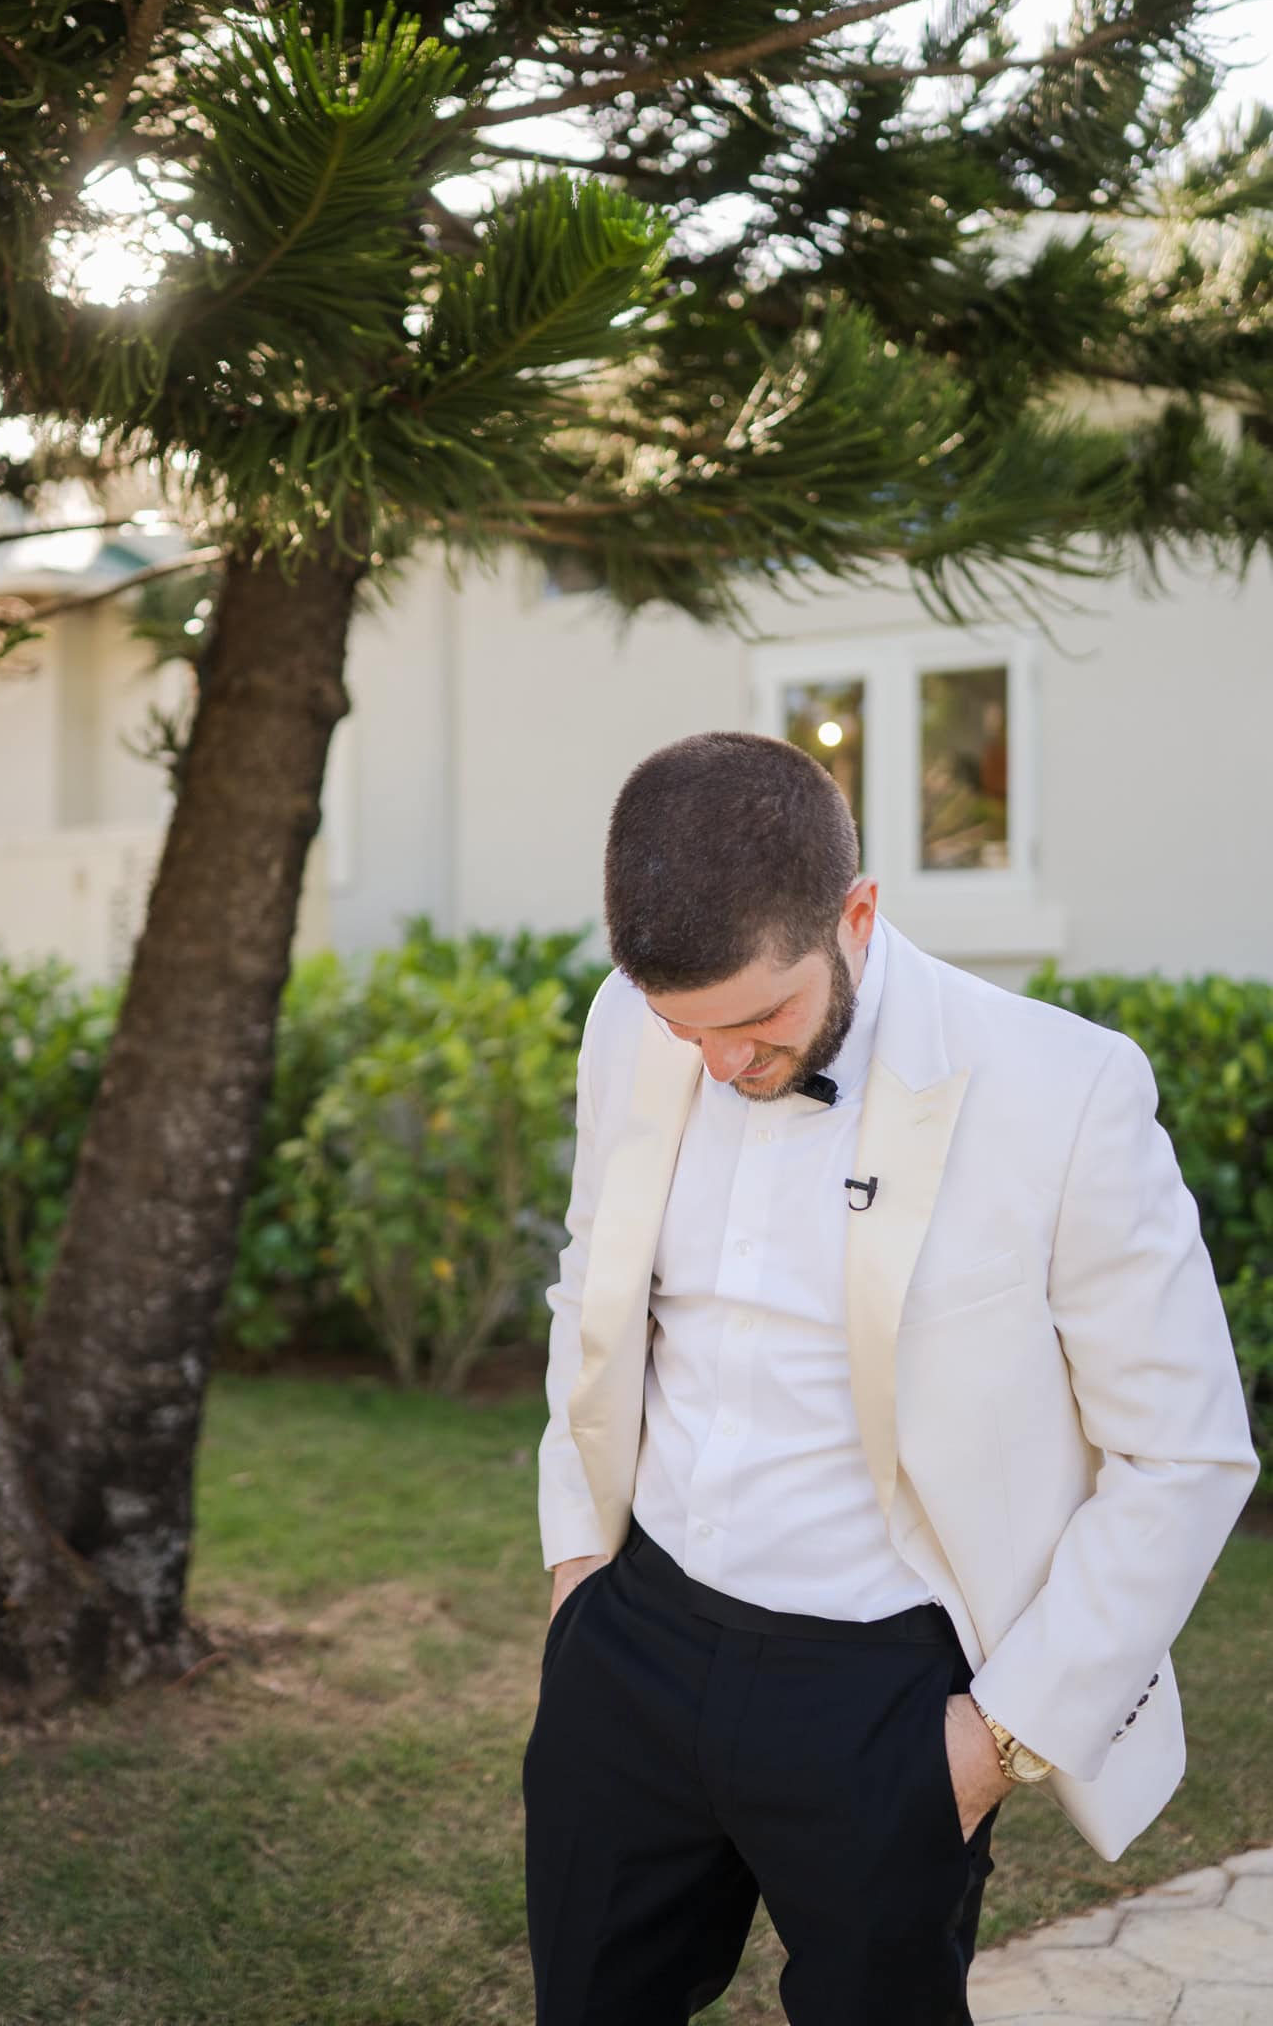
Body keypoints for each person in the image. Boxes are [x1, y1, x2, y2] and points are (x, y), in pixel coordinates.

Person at [522, 731, 1258, 2026]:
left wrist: (994, 1738)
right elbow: (594, 1273)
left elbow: (1183, 1454)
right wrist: (575, 1565)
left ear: (855, 914)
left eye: (758, 1022)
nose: (721, 1065)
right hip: (629, 1646)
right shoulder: (630, 1024)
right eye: (681, 1029)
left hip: (880, 1703)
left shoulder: (1061, 1090)